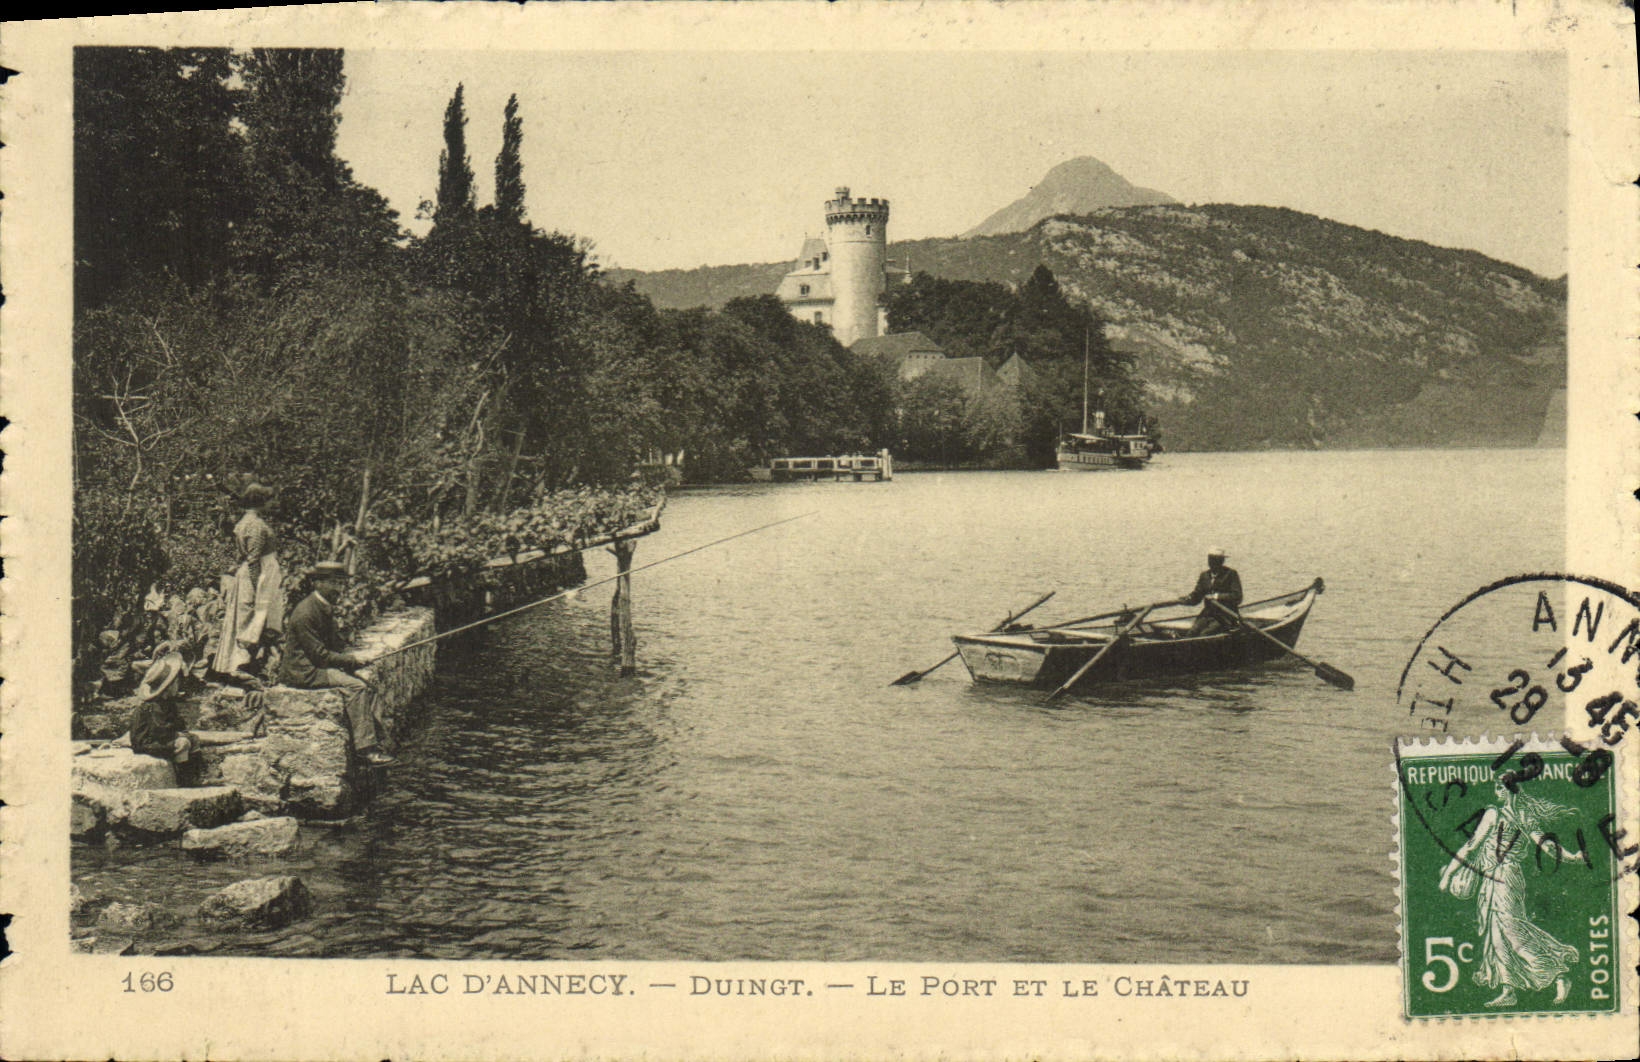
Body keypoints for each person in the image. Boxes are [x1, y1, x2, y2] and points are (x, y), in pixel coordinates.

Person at [1439, 777, 1580, 1006]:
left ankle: (1557, 974)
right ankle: (1509, 990)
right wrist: (1448, 875)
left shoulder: (1515, 815)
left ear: (1512, 790)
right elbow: (1472, 845)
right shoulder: (1497, 813)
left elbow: (1545, 845)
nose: (1497, 791)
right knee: (1497, 935)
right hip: (1491, 878)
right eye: (1495, 787)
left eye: (1500, 787)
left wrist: (1571, 857)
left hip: (1506, 878)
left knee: (1512, 931)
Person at [279, 561, 394, 766]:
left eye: (340, 584)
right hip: (305, 671)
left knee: (370, 688)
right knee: (357, 687)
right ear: (318, 583)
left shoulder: (323, 606)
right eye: (334, 583)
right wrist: (351, 660)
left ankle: (376, 739)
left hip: (318, 666)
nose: (339, 589)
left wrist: (355, 659)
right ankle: (365, 751)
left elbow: (335, 644)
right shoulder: (305, 612)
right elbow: (320, 655)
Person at [213, 482, 285, 679]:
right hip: (258, 575)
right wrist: (256, 588)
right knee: (251, 620)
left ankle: (253, 664)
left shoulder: (247, 521)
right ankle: (243, 665)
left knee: (254, 620)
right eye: (269, 501)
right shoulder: (254, 525)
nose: (271, 505)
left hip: (260, 573)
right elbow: (253, 559)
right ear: (261, 501)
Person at [129, 652, 200, 784]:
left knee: (191, 740)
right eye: (176, 682)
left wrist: (181, 735)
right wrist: (171, 745)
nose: (179, 685)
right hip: (153, 746)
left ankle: (193, 777)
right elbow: (139, 744)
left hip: (164, 743)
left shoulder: (169, 706)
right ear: (168, 687)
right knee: (183, 744)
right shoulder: (145, 711)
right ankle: (184, 782)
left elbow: (178, 727)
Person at [1178, 547, 1243, 636]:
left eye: (1215, 560)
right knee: (1191, 633)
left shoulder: (1231, 574)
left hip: (1225, 616)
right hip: (1207, 615)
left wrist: (1216, 597)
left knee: (1205, 634)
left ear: (1222, 561)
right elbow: (1197, 596)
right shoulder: (1204, 576)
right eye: (1210, 559)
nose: (1211, 562)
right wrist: (1187, 599)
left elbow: (1237, 596)